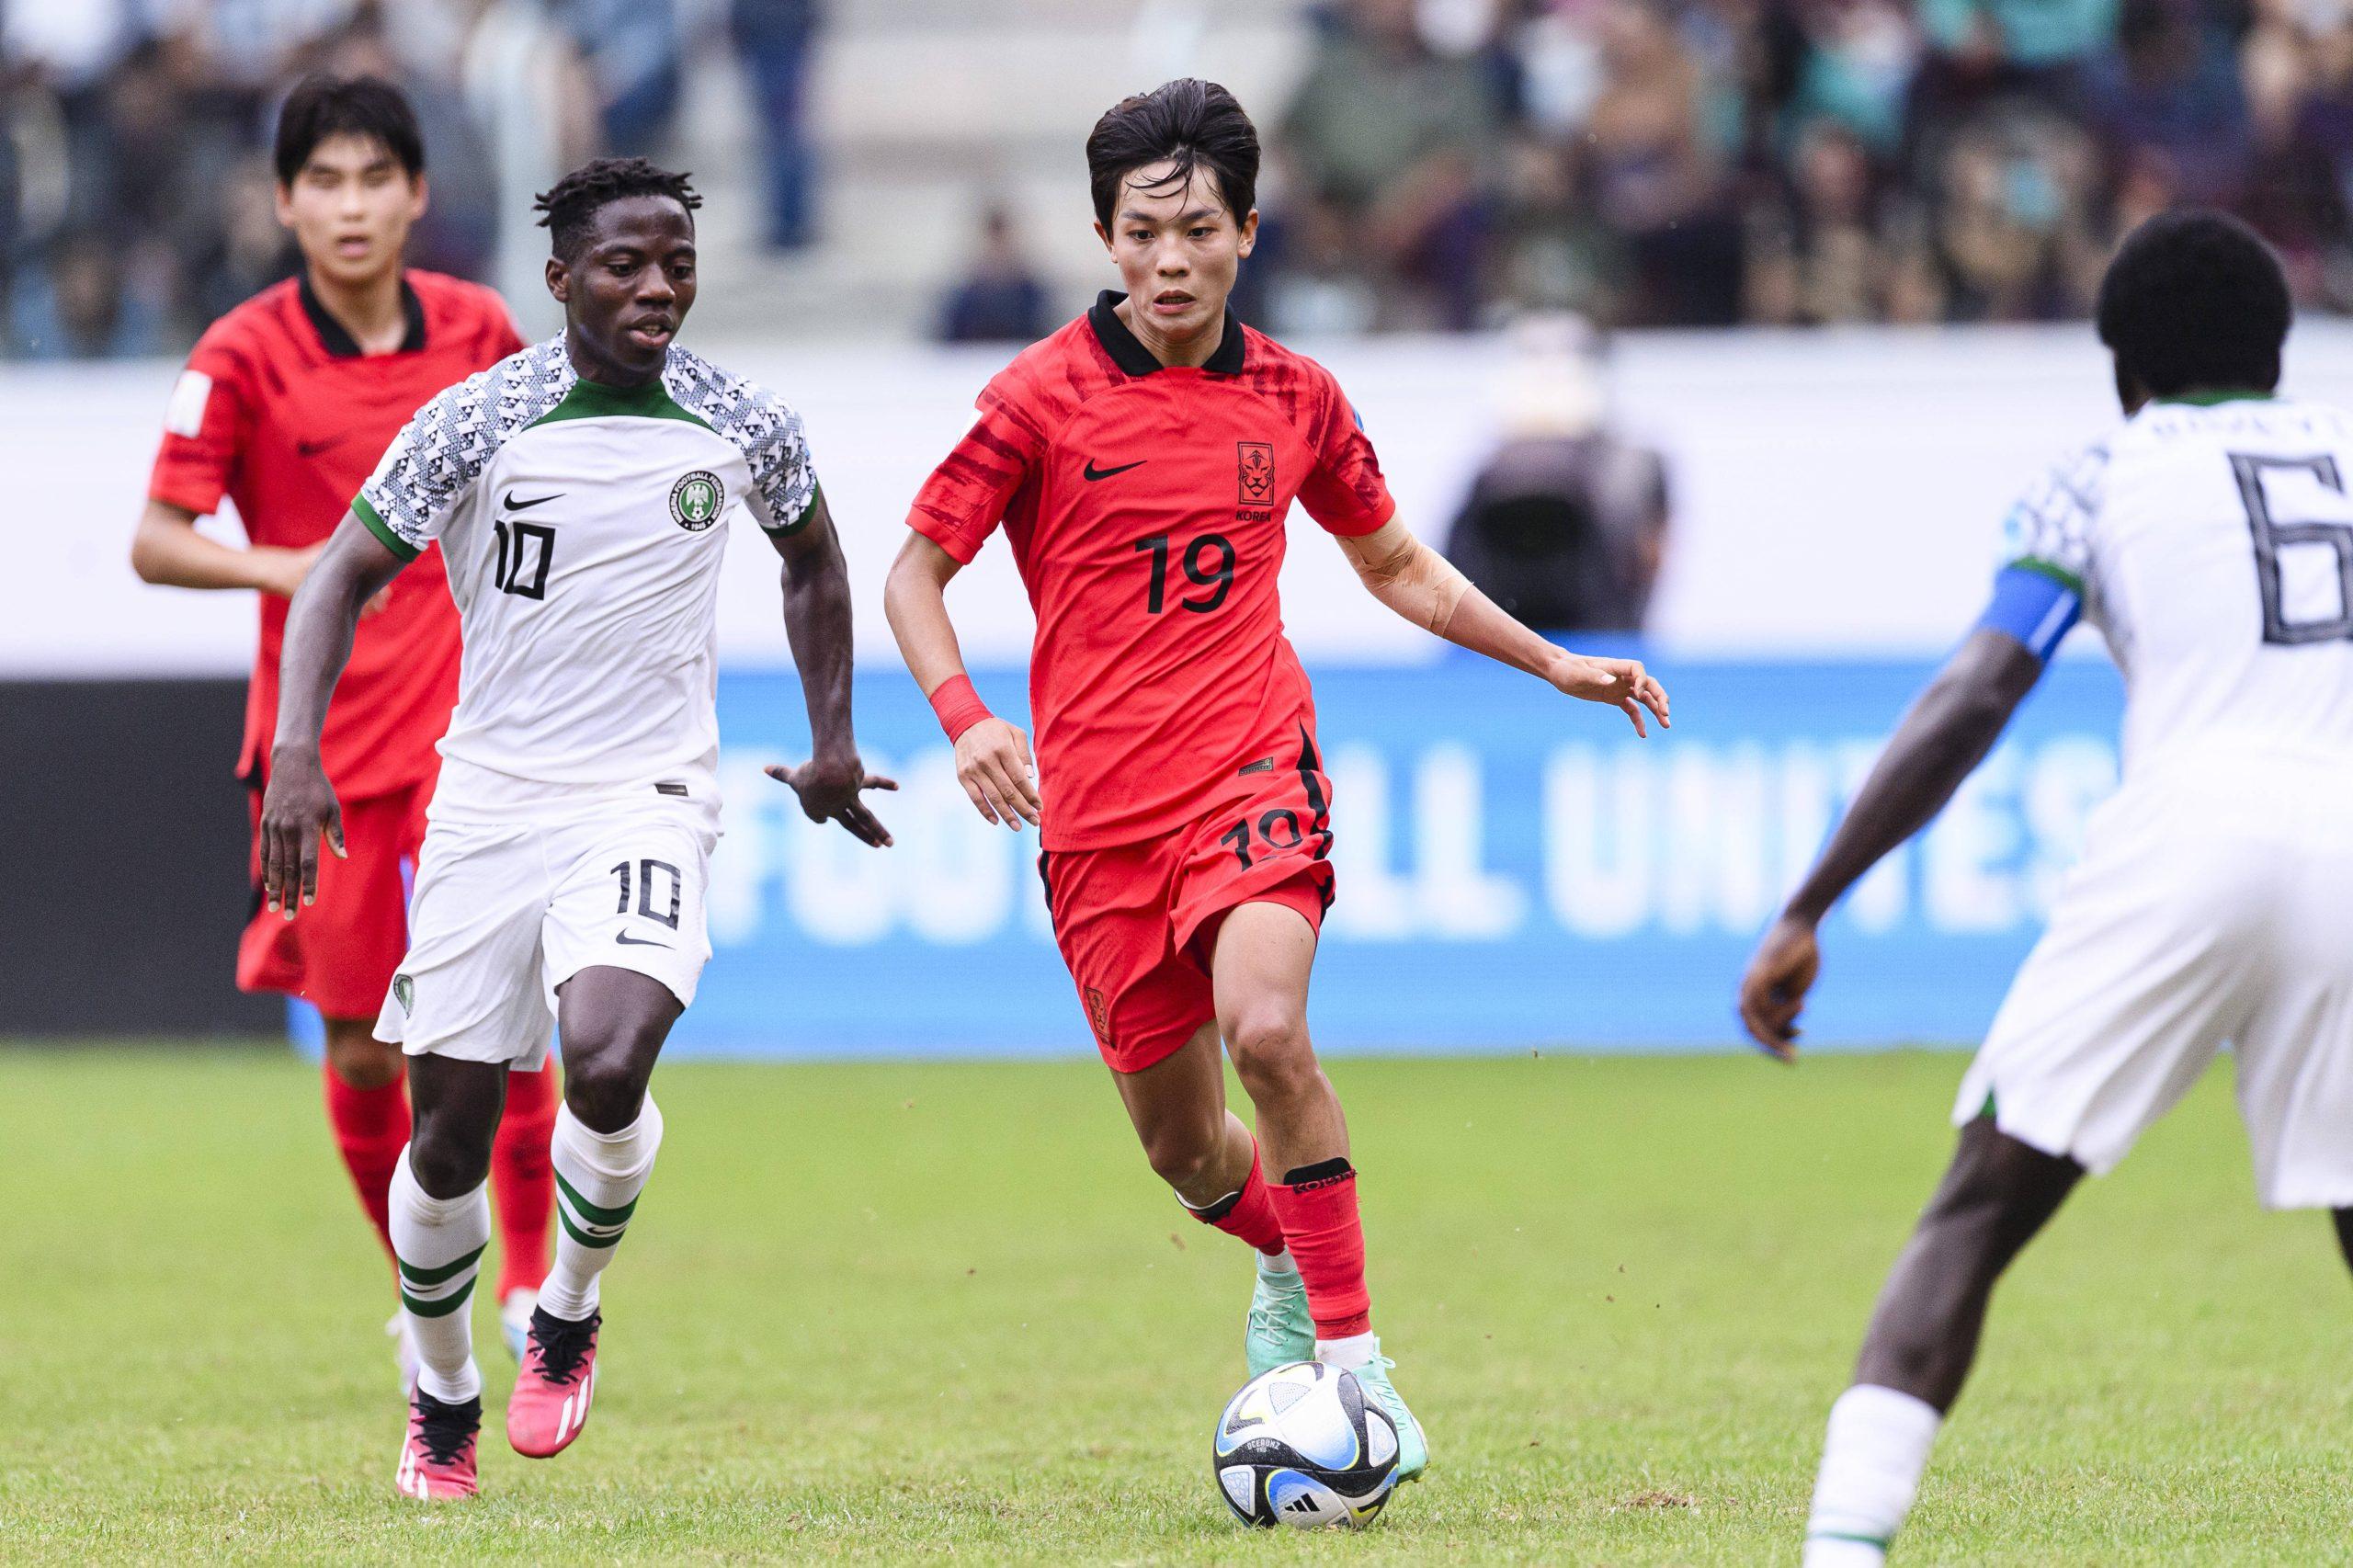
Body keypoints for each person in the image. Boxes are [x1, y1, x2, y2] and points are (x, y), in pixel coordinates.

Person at [885, 79, 1670, 1486]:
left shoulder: (1298, 398)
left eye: (1196, 228)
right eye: (1140, 232)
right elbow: (914, 573)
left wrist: (1553, 661)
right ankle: (1288, 1259)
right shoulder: (1036, 401)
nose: (1168, 260)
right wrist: (964, 716)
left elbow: (1399, 568)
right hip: (1095, 827)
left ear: (1249, 230)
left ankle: (1363, 1385)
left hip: (1251, 768)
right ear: (1104, 238)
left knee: (1266, 1030)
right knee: (1186, 1151)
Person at [258, 155, 893, 1500]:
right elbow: (338, 576)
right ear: (560, 282)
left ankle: (568, 1304)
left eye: (676, 263)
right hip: (489, 799)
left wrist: (832, 737)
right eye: (624, 265)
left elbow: (817, 561)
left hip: (647, 792)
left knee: (605, 1063)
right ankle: (441, 1394)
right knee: (447, 1136)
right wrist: (297, 752)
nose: (657, 287)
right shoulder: (475, 422)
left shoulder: (745, 421)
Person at [1738, 210, 2353, 1566]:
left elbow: (1978, 691)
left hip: (2192, 831)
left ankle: (1843, 1548)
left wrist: (1810, 901)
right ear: (2278, 351)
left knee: (1978, 1206)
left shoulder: (2103, 470)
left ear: (2122, 367)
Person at [131, 74, 557, 1381]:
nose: (353, 205)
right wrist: (304, 569)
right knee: (368, 1039)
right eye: (326, 181)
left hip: (474, 729)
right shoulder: (241, 354)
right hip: (320, 747)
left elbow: (547, 482)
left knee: (518, 1004)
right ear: (284, 202)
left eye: (377, 178)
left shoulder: (479, 327)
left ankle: (535, 1284)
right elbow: (155, 541)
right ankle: (418, 1277)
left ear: (419, 195)